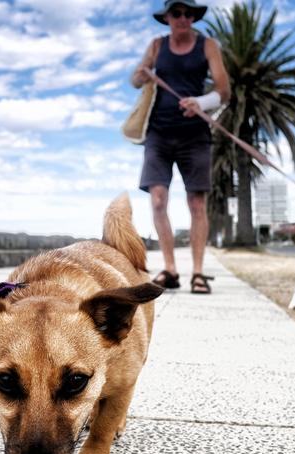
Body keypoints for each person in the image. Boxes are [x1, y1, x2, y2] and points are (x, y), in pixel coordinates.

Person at [131, 0, 230, 294]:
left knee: (196, 203)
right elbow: (135, 80)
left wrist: (201, 102)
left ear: (194, 17)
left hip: (195, 134)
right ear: (168, 17)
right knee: (158, 199)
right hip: (159, 133)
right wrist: (143, 73)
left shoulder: (208, 45)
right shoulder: (157, 46)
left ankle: (198, 273)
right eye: (177, 13)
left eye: (189, 13)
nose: (183, 18)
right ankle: (170, 269)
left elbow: (223, 91)